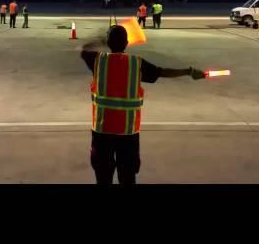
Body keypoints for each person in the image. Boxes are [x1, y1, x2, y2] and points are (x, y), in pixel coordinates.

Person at [81, 25, 205, 185]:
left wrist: (102, 41)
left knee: (103, 177)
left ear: (109, 42)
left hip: (102, 132)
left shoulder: (98, 61)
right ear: (126, 43)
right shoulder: (136, 64)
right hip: (128, 133)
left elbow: (84, 50)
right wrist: (189, 71)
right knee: (128, 177)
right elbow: (162, 72)